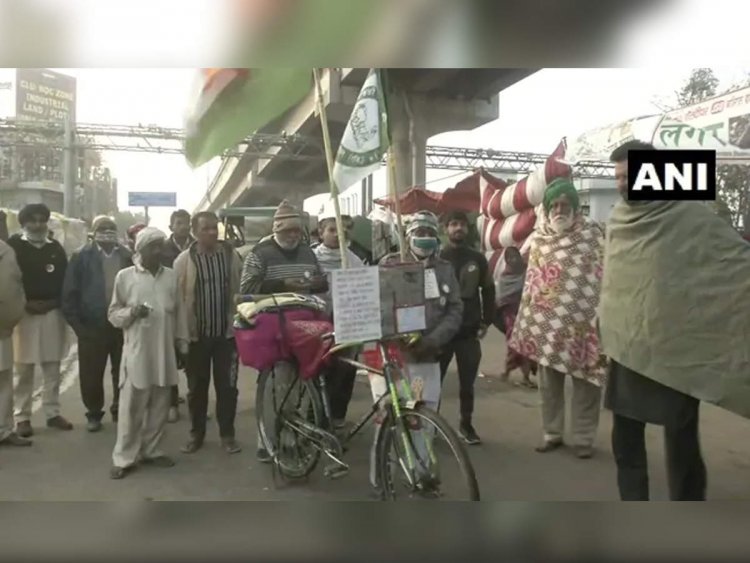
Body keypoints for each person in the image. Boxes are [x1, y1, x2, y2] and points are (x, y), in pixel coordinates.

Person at [599, 140, 734, 500]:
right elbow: (614, 281)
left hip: (678, 351)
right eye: (618, 177)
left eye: (629, 175)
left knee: (682, 440)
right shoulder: (618, 219)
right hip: (627, 348)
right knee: (625, 439)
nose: (622, 183)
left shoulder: (690, 215)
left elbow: (731, 265)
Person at [508, 178, 607, 459]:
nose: (560, 209)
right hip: (546, 328)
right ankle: (552, 434)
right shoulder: (539, 239)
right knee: (549, 387)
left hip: (585, 327)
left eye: (566, 204)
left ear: (576, 208)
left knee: (587, 387)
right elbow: (532, 285)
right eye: (555, 205)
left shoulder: (594, 235)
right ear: (548, 208)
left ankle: (584, 439)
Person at [377, 210, 463, 495]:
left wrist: (433, 340)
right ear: (407, 236)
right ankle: (382, 477)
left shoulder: (444, 269)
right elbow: (376, 305)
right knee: (388, 417)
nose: (423, 239)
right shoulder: (390, 265)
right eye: (418, 233)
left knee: (423, 419)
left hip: (427, 355)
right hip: (392, 357)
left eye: (428, 233)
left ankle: (422, 475)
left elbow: (454, 308)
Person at [241, 200, 327, 462]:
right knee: (273, 386)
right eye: (287, 231)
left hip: (302, 327)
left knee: (297, 386)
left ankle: (290, 436)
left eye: (296, 231)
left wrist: (316, 283)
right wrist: (282, 284)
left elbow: (319, 281)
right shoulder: (260, 253)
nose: (292, 236)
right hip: (271, 328)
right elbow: (247, 287)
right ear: (276, 230)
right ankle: (266, 440)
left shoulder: (308, 253)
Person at [108, 227, 185, 479]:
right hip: (137, 350)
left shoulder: (171, 276)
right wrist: (131, 313)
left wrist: (182, 343)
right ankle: (124, 458)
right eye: (153, 246)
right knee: (132, 406)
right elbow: (113, 314)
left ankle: (151, 450)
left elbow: (180, 312)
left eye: (160, 245)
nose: (159, 251)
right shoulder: (125, 276)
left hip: (164, 350)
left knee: (160, 403)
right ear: (139, 249)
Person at [174, 211, 243, 455]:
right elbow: (179, 301)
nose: (212, 232)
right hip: (197, 337)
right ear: (194, 231)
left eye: (215, 228)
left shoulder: (230, 256)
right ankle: (197, 434)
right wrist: (180, 338)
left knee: (228, 388)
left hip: (226, 336)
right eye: (206, 228)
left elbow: (238, 289)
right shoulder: (184, 261)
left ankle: (227, 435)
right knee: (196, 389)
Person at [62, 216, 133, 432]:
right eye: (102, 229)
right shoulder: (81, 256)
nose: (107, 232)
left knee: (123, 370)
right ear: (93, 232)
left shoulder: (126, 256)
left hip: (121, 324)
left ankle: (119, 408)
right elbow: (69, 293)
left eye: (111, 229)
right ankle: (94, 413)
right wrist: (78, 326)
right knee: (91, 373)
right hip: (92, 325)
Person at [7, 203, 73, 437]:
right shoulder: (13, 246)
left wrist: (54, 302)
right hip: (24, 314)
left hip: (52, 313)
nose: (37, 225)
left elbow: (66, 281)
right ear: (23, 223)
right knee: (23, 368)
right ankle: (22, 417)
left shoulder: (55, 248)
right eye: (32, 220)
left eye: (41, 220)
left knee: (52, 366)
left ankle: (52, 413)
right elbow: (8, 280)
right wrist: (25, 303)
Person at [437, 210, 495, 445]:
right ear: (446, 229)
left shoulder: (478, 259)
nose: (458, 228)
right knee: (434, 382)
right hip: (441, 333)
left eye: (462, 224)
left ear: (468, 229)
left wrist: (486, 320)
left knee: (467, 384)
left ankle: (466, 425)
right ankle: (431, 425)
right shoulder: (438, 257)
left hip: (469, 332)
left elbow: (489, 290)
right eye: (453, 224)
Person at [313, 213, 364, 430]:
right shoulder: (311, 258)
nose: (337, 235)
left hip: (348, 323)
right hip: (318, 323)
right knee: (318, 372)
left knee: (345, 372)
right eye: (332, 230)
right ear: (321, 232)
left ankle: (338, 418)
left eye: (343, 231)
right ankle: (315, 417)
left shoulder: (354, 260)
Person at [160, 209, 195, 424]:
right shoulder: (161, 249)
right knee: (170, 359)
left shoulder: (197, 246)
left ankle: (195, 402)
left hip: (193, 311)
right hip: (169, 311)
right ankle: (171, 403)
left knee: (195, 362)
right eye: (179, 223)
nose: (184, 226)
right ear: (171, 226)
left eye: (187, 222)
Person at [0, 237, 30, 447]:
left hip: (3, 326)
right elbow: (13, 286)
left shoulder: (6, 250)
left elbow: (14, 286)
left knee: (4, 380)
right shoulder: (5, 251)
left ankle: (4, 430)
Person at [494, 247, 537, 388]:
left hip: (526, 313)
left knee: (526, 345)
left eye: (515, 256)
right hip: (510, 314)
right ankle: (507, 371)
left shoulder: (528, 271)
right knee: (515, 344)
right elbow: (501, 298)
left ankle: (525, 377)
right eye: (509, 258)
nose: (513, 260)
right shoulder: (505, 276)